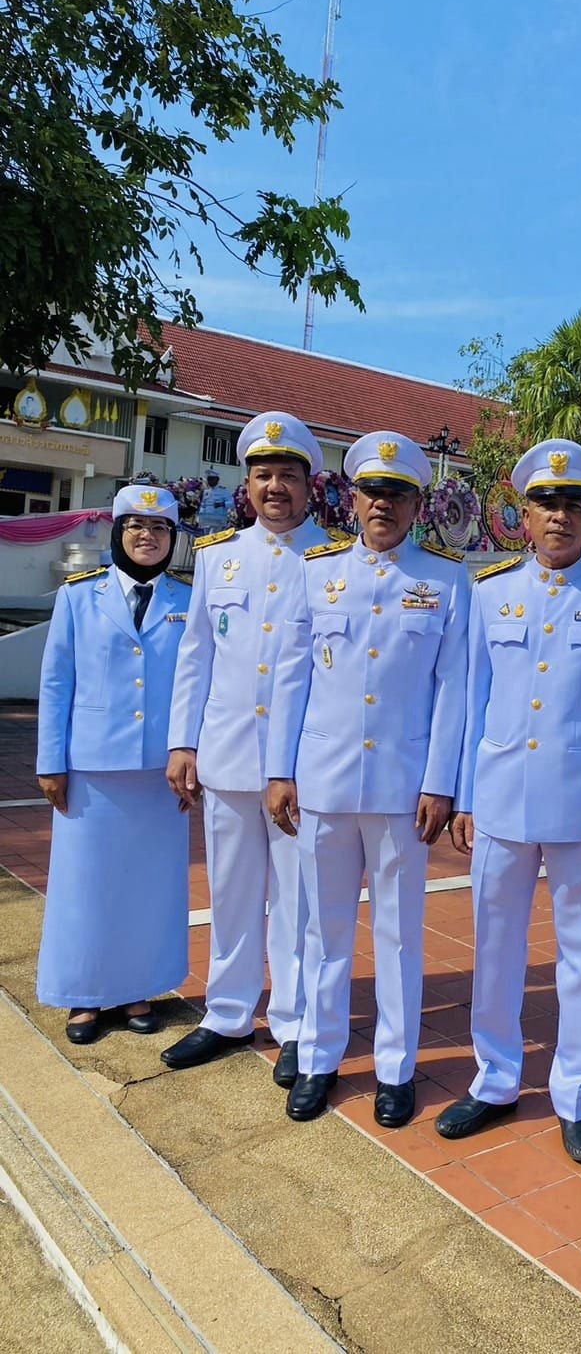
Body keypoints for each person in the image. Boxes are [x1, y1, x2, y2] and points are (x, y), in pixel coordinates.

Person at [436, 440, 581, 1165]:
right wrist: (464, 793)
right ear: (521, 514)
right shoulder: (489, 589)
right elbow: (472, 701)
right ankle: (494, 1078)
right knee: (494, 948)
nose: (559, 517)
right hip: (498, 798)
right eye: (546, 503)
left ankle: (576, 1094)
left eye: (574, 504)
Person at [266, 432, 468, 1124]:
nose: (383, 504)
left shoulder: (445, 579)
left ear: (417, 504)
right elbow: (292, 679)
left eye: (398, 493)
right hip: (322, 777)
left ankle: (394, 1066)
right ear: (350, 498)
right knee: (322, 930)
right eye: (372, 491)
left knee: (399, 933)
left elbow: (453, 688)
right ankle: (318, 1058)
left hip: (402, 787)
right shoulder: (316, 571)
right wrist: (278, 769)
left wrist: (441, 782)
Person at [163, 414, 325, 1083]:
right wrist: (182, 742)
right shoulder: (216, 554)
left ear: (309, 485)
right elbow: (195, 654)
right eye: (263, 474)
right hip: (227, 752)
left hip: (300, 765)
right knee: (230, 891)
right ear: (247, 483)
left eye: (288, 474)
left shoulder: (331, 558)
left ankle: (292, 1021)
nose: (275, 486)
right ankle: (226, 1012)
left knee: (296, 898)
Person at [36, 486, 192, 1043]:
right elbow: (56, 682)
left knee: (149, 887)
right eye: (134, 525)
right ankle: (83, 994)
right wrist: (51, 760)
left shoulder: (187, 601)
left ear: (173, 539)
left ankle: (137, 988)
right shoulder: (79, 596)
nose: (146, 536)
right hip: (91, 769)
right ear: (117, 533)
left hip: (160, 774)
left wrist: (190, 755)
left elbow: (199, 688)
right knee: (86, 885)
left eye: (159, 527)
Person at [196, 469, 234, 534]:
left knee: (212, 538)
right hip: (206, 521)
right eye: (208, 479)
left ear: (217, 480)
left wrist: (221, 504)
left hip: (218, 521)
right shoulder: (206, 492)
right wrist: (198, 518)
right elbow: (203, 506)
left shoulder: (224, 491)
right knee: (206, 540)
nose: (209, 481)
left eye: (211, 479)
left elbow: (232, 504)